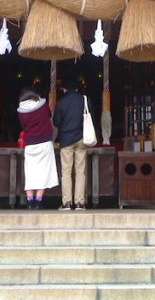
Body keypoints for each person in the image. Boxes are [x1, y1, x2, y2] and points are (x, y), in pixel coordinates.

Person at [16, 86, 57, 209]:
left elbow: (23, 125)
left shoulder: (21, 111)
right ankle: (38, 201)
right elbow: (49, 115)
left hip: (30, 144)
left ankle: (29, 201)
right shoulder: (42, 106)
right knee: (43, 171)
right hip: (44, 142)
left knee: (30, 172)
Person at [53, 78, 90, 211]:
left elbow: (56, 122)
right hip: (81, 138)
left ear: (64, 89)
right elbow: (90, 116)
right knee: (80, 171)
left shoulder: (61, 102)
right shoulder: (84, 100)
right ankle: (80, 202)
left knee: (66, 172)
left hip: (66, 139)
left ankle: (67, 203)